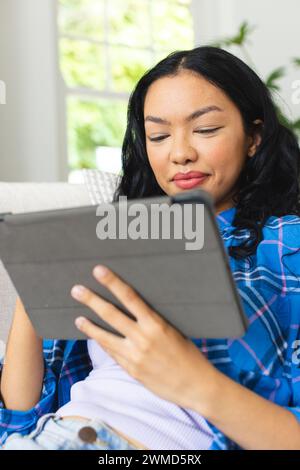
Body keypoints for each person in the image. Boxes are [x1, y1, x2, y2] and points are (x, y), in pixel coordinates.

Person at [1, 46, 300, 451]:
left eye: (206, 129)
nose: (179, 153)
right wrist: (32, 285)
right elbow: (20, 415)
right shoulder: (114, 236)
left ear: (254, 137)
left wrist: (193, 380)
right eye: (158, 135)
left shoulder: (286, 244)